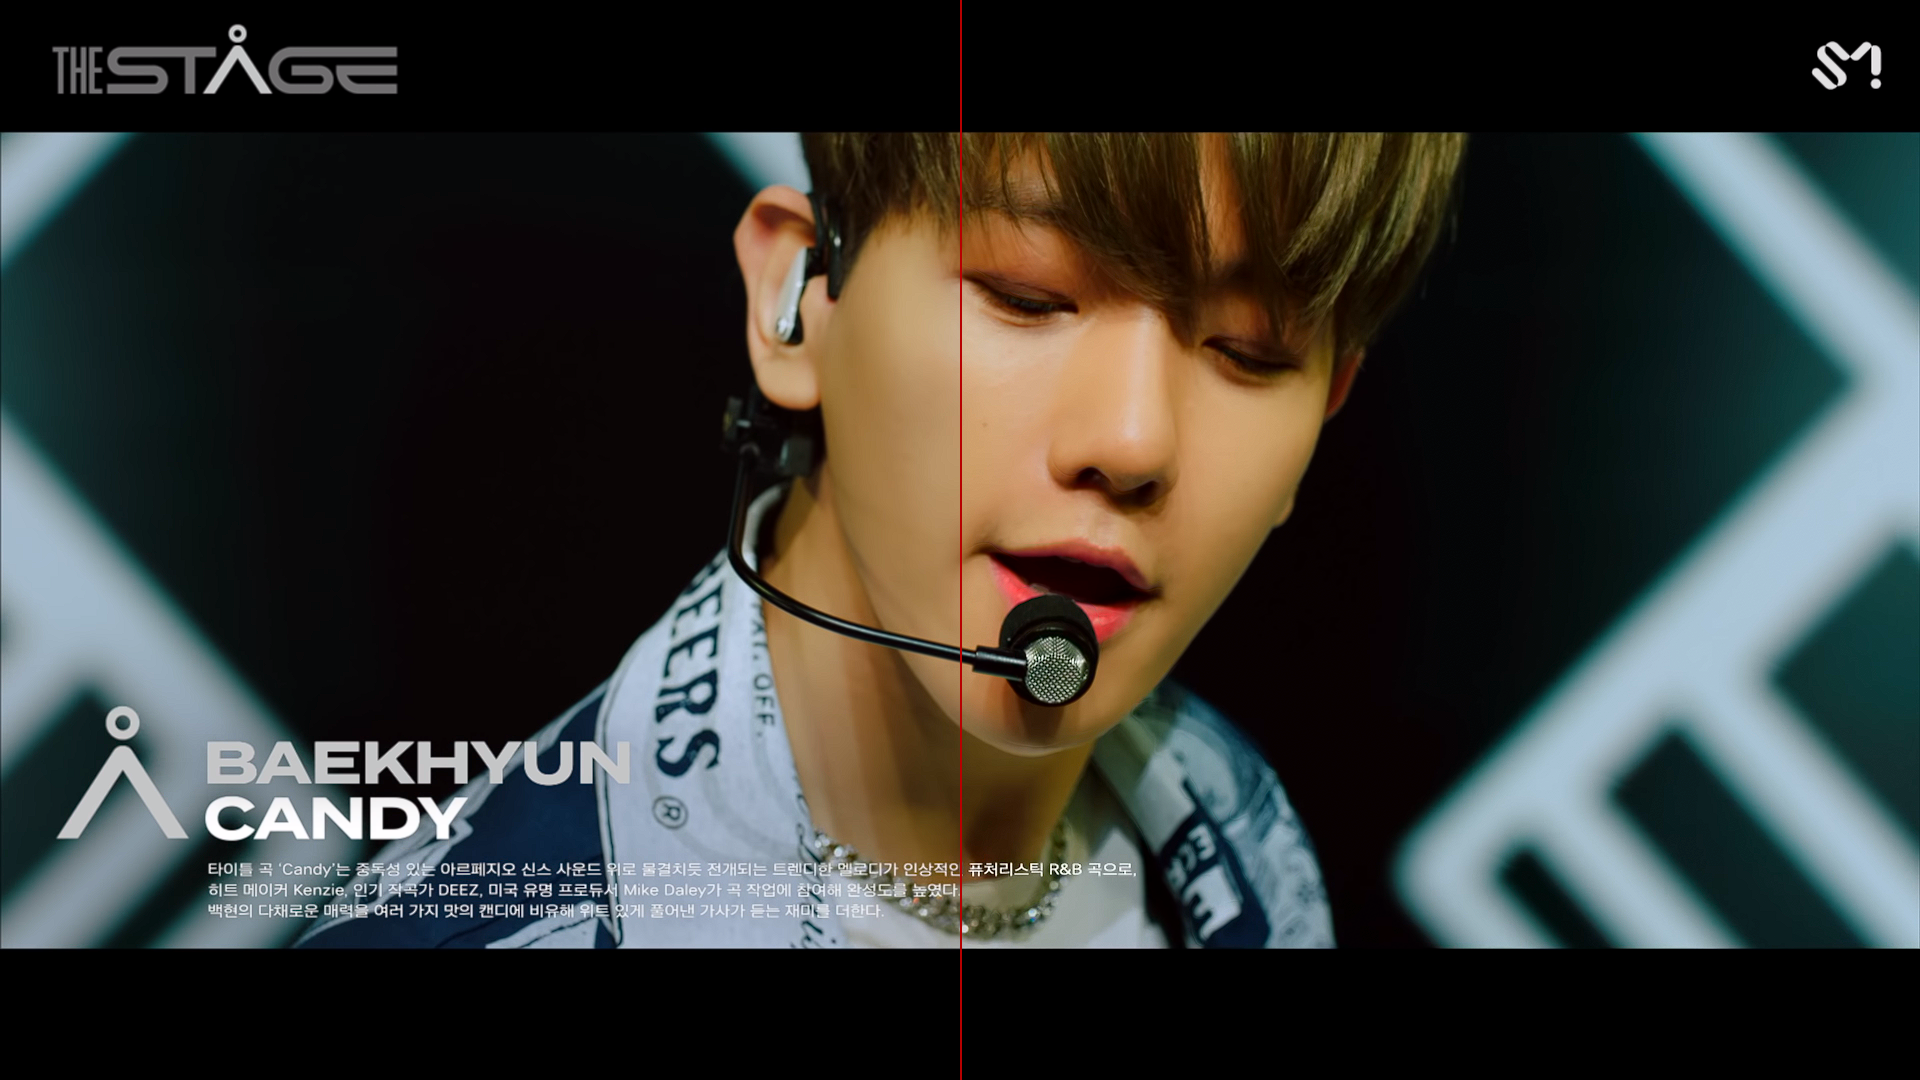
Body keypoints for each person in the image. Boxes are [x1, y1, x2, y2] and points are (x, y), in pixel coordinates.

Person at [296, 132, 1467, 949]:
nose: (1132, 438)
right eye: (1025, 293)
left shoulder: (1247, 847)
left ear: (1327, 409)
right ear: (798, 303)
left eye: (1252, 351)